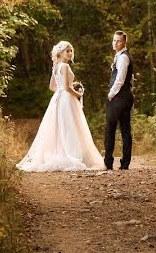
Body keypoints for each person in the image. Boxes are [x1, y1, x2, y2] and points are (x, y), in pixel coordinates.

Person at [16, 41, 105, 172]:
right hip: (66, 99)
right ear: (61, 52)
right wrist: (78, 94)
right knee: (69, 126)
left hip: (57, 98)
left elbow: (52, 87)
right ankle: (70, 154)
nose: (69, 53)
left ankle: (60, 152)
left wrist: (61, 90)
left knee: (59, 126)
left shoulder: (56, 66)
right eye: (67, 51)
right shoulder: (64, 67)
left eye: (70, 51)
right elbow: (68, 88)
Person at [104, 30, 133, 170]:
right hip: (125, 96)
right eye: (114, 40)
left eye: (118, 41)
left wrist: (111, 94)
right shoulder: (121, 56)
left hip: (118, 97)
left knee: (110, 129)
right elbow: (129, 77)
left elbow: (120, 79)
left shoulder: (123, 58)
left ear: (124, 42)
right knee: (125, 130)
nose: (115, 43)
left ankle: (108, 163)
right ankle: (124, 163)